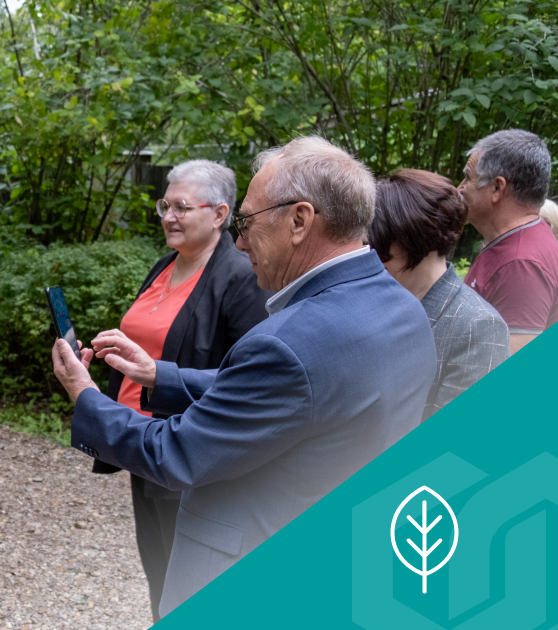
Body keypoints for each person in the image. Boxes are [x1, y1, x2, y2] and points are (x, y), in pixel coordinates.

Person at [51, 136, 435, 617]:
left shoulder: (289, 340)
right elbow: (291, 399)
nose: (240, 240)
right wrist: (158, 375)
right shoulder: (402, 306)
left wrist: (85, 394)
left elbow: (177, 453)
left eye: (248, 221)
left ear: (299, 220)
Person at [91, 160, 268, 622]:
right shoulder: (164, 264)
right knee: (158, 569)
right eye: (164, 205)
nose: (169, 215)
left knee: (188, 577)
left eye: (182, 207)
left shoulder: (241, 277)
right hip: (140, 443)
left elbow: (249, 377)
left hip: (189, 451)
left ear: (220, 213)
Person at [369, 169, 509, 421]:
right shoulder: (374, 304)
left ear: (420, 239)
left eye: (381, 245)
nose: (372, 256)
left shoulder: (478, 326)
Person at [458, 129, 558, 354]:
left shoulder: (521, 264)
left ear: (497, 188)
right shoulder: (516, 240)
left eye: (468, 178)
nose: (460, 188)